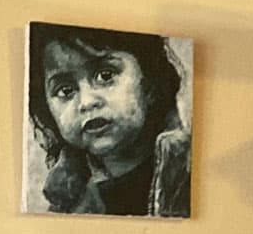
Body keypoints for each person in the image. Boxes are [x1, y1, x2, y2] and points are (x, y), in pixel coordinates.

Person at [25, 24, 191, 218]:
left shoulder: (186, 174)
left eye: (105, 76)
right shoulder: (68, 201)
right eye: (66, 91)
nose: (87, 102)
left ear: (150, 84)